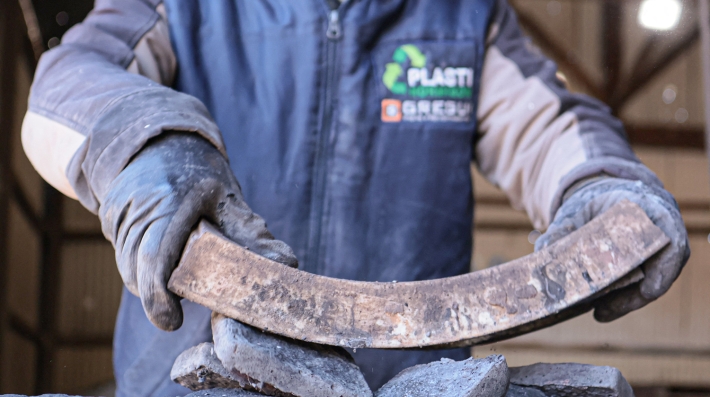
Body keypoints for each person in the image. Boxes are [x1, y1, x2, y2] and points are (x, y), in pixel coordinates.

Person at [22, 0, 689, 395]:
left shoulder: (463, 15)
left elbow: (547, 124)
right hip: (196, 380)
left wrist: (602, 184)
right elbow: (67, 83)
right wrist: (143, 146)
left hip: (403, 387)